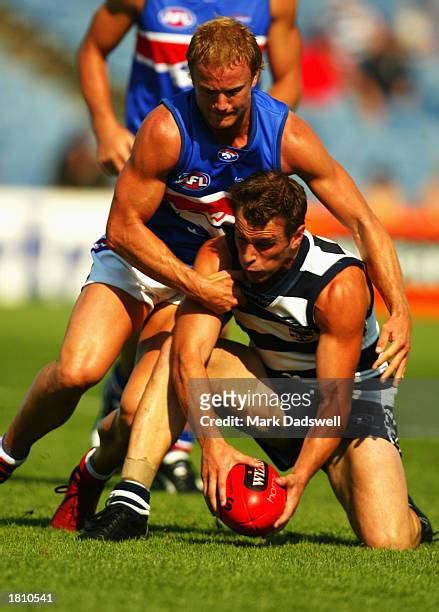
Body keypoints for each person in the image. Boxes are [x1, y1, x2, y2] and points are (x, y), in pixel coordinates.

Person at [0, 18, 410, 533]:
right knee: (78, 371)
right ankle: (7, 454)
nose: (220, 104)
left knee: (134, 412)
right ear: (192, 77)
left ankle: (95, 471)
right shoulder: (167, 129)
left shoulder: (287, 135)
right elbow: (123, 228)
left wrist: (400, 308)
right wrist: (194, 284)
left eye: (233, 92)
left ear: (257, 76)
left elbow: (363, 220)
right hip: (143, 260)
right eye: (209, 91)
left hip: (206, 270)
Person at [80, 171, 432, 548]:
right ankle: (129, 503)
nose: (249, 256)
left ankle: (404, 511)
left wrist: (299, 477)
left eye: (265, 245)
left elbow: (335, 401)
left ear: (296, 237)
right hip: (276, 393)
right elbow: (190, 357)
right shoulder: (219, 255)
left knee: (390, 539)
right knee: (177, 351)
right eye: (244, 240)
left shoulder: (338, 284)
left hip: (352, 406)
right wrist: (213, 446)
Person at [79, 0, 303, 485]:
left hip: (226, 171)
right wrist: (103, 124)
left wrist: (254, 140)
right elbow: (94, 49)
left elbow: (290, 80)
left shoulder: (275, 4)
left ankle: (169, 442)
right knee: (129, 318)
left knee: (207, 289)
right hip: (155, 157)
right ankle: (131, 411)